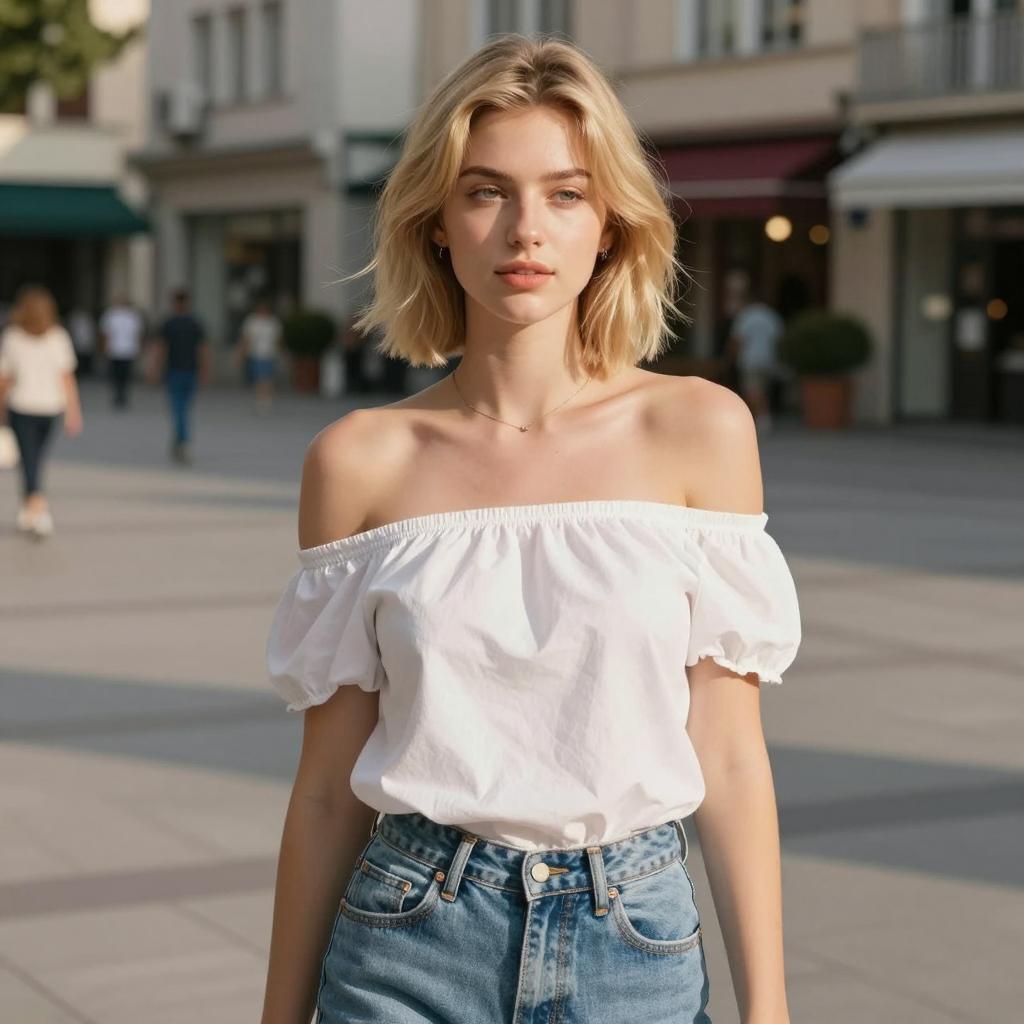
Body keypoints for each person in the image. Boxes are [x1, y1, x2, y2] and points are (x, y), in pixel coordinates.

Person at [260, 36, 801, 1024]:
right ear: (434, 224)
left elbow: (728, 756)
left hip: (634, 940)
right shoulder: (359, 459)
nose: (524, 230)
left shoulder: (699, 430)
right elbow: (329, 788)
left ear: (610, 226)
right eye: (484, 192)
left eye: (564, 193)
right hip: (406, 943)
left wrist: (768, 1008)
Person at [0, 284, 83, 538]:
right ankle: (33, 508)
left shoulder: (12, 337)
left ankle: (35, 508)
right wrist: (73, 411)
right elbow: (66, 377)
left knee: (30, 459)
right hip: (50, 407)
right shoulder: (58, 337)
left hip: (22, 406)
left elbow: (4, 378)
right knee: (34, 459)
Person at [150, 288, 209, 464]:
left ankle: (182, 442)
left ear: (174, 303)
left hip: (174, 371)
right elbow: (203, 349)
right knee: (184, 408)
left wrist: (154, 369)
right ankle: (179, 442)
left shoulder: (169, 323)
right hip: (190, 370)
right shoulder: (195, 323)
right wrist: (205, 370)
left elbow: (161, 349)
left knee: (178, 409)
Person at [727, 283, 785, 434]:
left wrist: (731, 358)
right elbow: (779, 341)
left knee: (752, 391)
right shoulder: (772, 316)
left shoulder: (746, 316)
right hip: (768, 359)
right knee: (762, 390)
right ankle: (761, 418)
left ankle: (762, 419)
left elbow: (737, 340)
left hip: (750, 360)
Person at [236, 296, 283, 411]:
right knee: (259, 377)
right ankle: (261, 397)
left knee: (267, 377)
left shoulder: (273, 322)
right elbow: (246, 338)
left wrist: (279, 352)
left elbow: (278, 339)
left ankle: (265, 398)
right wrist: (242, 353)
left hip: (269, 354)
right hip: (256, 354)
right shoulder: (252, 321)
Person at [99, 296, 145, 409]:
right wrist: (104, 347)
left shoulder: (133, 316)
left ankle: (122, 395)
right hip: (114, 350)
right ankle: (117, 394)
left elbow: (138, 334)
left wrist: (139, 348)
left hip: (128, 350)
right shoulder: (111, 315)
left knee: (125, 375)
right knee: (115, 375)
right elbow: (105, 333)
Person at [66, 305, 96, 378]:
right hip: (79, 341)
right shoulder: (75, 319)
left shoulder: (88, 319)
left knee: (85, 357)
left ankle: (86, 371)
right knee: (79, 357)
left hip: (85, 341)